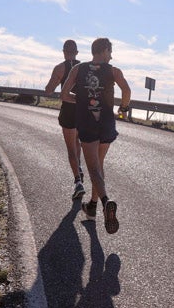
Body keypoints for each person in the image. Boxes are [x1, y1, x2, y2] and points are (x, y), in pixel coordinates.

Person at [60, 37, 131, 233]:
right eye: (110, 52)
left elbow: (64, 95)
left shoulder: (78, 69)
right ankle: (92, 207)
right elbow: (126, 90)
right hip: (107, 123)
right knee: (99, 166)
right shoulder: (114, 71)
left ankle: (106, 201)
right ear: (105, 50)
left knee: (93, 169)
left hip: (88, 123)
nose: (111, 56)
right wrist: (123, 109)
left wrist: (82, 101)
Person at [44, 39, 85, 200]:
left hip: (68, 110)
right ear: (76, 53)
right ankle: (79, 167)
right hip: (83, 111)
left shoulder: (60, 68)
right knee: (78, 142)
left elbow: (49, 90)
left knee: (70, 148)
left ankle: (78, 183)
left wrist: (50, 88)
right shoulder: (84, 68)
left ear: (63, 52)